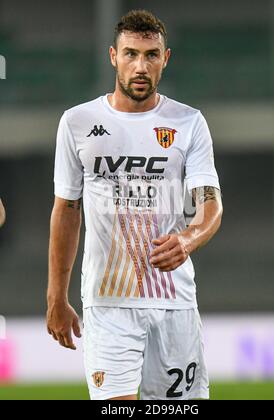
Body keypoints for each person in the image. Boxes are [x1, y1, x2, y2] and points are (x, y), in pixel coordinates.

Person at [47, 9, 223, 401]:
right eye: (130, 54)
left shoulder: (189, 122)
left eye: (151, 55)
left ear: (166, 58)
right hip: (107, 301)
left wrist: (189, 238)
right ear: (113, 56)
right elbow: (66, 210)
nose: (140, 66)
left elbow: (210, 203)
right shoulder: (76, 122)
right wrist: (56, 297)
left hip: (174, 301)